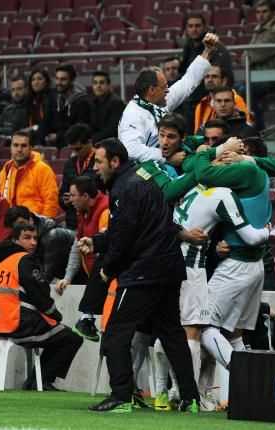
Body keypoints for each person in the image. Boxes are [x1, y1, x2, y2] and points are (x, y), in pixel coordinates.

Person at [85, 138, 199, 413]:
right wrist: (97, 242)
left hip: (144, 271)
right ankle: (190, 398)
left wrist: (107, 268)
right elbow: (147, 226)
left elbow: (124, 235)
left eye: (99, 161)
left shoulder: (124, 188)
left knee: (115, 333)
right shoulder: (144, 178)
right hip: (169, 267)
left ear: (115, 161)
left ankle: (121, 396)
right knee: (172, 333)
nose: (95, 167)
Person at [154, 174, 270, 411]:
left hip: (173, 264)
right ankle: (196, 393)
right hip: (203, 268)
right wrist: (268, 231)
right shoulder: (224, 193)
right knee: (209, 331)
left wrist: (215, 245)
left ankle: (174, 392)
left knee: (181, 330)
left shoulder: (182, 185)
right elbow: (251, 237)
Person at [0, 223, 83, 391]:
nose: (33, 242)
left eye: (35, 238)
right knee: (71, 338)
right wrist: (55, 314)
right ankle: (41, 381)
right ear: (15, 240)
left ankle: (35, 381)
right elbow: (40, 293)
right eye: (27, 238)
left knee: (59, 335)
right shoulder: (24, 260)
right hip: (19, 324)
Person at [117, 33, 218, 162]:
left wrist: (207, 51)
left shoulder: (156, 102)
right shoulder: (133, 114)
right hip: (142, 170)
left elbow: (187, 82)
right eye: (164, 86)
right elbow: (131, 150)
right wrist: (166, 158)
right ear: (152, 90)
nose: (167, 90)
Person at [55, 176, 109, 342]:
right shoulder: (83, 212)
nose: (69, 200)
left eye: (73, 195)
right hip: (96, 279)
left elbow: (107, 249)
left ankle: (87, 318)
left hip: (108, 280)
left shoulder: (105, 211)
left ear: (85, 196)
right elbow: (76, 245)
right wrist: (68, 278)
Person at [179, 14, 233, 130]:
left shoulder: (215, 47)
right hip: (191, 98)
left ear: (205, 27)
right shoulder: (188, 46)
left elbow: (224, 75)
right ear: (186, 29)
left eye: (197, 26)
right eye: (190, 26)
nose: (194, 29)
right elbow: (183, 72)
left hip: (210, 98)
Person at [246, 0, 275, 130]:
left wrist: (247, 56)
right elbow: (246, 56)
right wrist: (247, 56)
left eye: (264, 11)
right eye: (258, 12)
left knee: (244, 90)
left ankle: (258, 128)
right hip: (261, 75)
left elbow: (252, 56)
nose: (260, 15)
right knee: (240, 88)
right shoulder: (259, 29)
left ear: (273, 13)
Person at [3, 206, 74, 283]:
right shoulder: (23, 234)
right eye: (16, 227)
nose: (20, 229)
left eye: (22, 223)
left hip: (77, 277)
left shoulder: (52, 236)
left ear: (31, 220)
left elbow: (47, 275)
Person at [0, 130, 59, 218]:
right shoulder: (5, 170)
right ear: (10, 147)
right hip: (10, 221)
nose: (19, 149)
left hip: (34, 223)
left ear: (30, 148)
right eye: (15, 145)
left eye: (24, 146)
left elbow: (51, 202)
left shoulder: (43, 170)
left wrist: (44, 223)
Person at [59, 124, 98, 230]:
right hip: (72, 221)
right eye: (72, 149)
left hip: (94, 219)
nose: (75, 153)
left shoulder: (100, 161)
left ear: (89, 142)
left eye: (78, 149)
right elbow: (61, 195)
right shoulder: (69, 164)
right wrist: (65, 200)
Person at [194, 65, 250, 132]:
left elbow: (246, 125)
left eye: (214, 76)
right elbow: (197, 133)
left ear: (224, 80)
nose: (210, 80)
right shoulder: (201, 103)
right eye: (207, 77)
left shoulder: (236, 99)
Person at [46, 64, 90, 147]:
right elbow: (46, 120)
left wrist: (58, 136)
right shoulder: (52, 96)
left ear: (72, 80)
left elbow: (79, 128)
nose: (59, 83)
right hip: (52, 142)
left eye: (63, 79)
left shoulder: (82, 101)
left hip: (73, 144)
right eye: (57, 79)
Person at [89, 71, 125, 143]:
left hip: (112, 143)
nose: (98, 86)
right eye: (95, 83)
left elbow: (112, 130)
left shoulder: (116, 103)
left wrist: (91, 140)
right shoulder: (92, 102)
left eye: (102, 83)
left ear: (108, 85)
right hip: (97, 141)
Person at [25, 69, 55, 146]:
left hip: (47, 137)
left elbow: (46, 123)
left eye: (39, 79)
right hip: (33, 135)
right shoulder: (29, 100)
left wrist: (33, 128)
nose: (36, 82)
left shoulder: (52, 98)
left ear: (46, 82)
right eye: (33, 80)